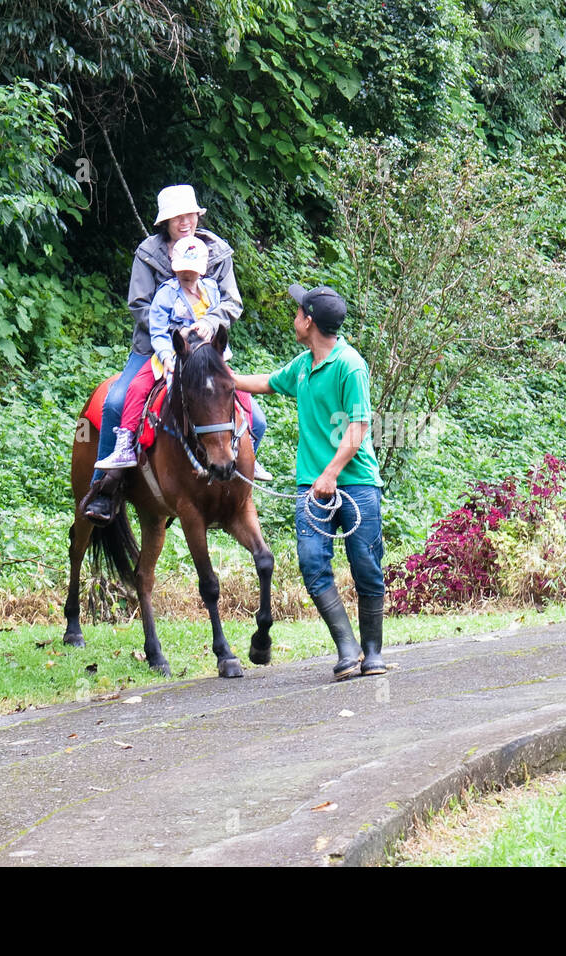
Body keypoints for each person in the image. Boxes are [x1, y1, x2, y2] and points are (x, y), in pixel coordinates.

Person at [84, 184, 269, 524]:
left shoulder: (217, 253)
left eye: (189, 215)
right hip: (157, 347)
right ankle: (105, 489)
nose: (184, 221)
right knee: (115, 402)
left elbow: (231, 302)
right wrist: (172, 334)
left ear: (198, 215)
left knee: (256, 417)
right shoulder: (148, 254)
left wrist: (212, 322)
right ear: (165, 222)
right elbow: (139, 305)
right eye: (176, 217)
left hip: (207, 354)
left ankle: (240, 477)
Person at [232, 284, 386, 680]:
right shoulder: (303, 365)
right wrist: (225, 378)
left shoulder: (350, 365)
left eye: (299, 311)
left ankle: (372, 652)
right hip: (310, 486)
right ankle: (347, 649)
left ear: (310, 321)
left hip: (356, 484)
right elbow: (267, 381)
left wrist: (331, 472)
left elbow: (360, 425)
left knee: (366, 566)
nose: (294, 316)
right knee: (312, 563)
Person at [92, 236, 225, 470]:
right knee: (136, 388)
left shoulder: (211, 291)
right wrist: (166, 355)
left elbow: (217, 316)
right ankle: (124, 442)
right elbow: (158, 328)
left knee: (232, 390)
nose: (187, 275)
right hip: (174, 356)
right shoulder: (167, 293)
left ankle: (243, 443)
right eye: (182, 270)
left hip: (206, 360)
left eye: (192, 271)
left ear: (203, 270)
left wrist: (209, 325)